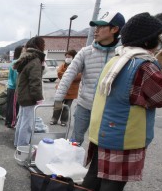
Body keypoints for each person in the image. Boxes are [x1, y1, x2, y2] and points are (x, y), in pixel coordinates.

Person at [82, 13, 162, 191]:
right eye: (159, 36)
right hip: (123, 130)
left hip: (103, 127)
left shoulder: (117, 59)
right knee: (114, 179)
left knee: (96, 172)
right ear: (148, 41)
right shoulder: (143, 65)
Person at [54, 11, 125, 144]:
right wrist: (58, 98)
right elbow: (69, 74)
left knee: (103, 143)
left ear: (115, 29)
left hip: (109, 108)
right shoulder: (85, 52)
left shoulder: (123, 54)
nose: (96, 31)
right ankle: (70, 162)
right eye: (95, 27)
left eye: (101, 27)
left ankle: (95, 165)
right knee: (75, 140)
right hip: (85, 105)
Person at [13, 37, 46, 147]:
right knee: (27, 124)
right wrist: (39, 98)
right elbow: (35, 82)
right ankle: (22, 147)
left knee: (21, 121)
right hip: (29, 96)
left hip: (22, 94)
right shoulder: (35, 60)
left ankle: (17, 144)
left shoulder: (25, 58)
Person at [50, 50, 81, 126]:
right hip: (61, 89)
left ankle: (64, 121)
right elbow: (59, 74)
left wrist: (67, 75)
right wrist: (70, 75)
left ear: (74, 57)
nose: (67, 58)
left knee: (66, 107)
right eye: (66, 57)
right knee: (57, 105)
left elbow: (79, 77)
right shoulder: (63, 65)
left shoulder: (78, 66)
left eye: (69, 57)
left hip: (72, 91)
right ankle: (54, 119)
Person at [6, 45, 24, 128]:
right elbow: (16, 78)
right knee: (13, 107)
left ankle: (8, 121)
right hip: (14, 88)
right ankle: (12, 122)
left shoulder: (14, 61)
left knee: (10, 106)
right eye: (23, 51)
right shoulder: (17, 62)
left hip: (10, 87)